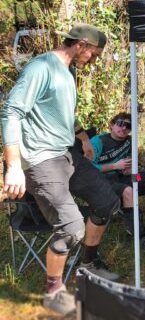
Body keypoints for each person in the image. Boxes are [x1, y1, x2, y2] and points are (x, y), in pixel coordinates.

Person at [1, 24, 121, 316]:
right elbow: (11, 112)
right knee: (70, 227)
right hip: (40, 160)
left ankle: (88, 264)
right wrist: (13, 166)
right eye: (94, 54)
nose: (94, 60)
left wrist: (82, 137)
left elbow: (63, 111)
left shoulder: (67, 70)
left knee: (107, 201)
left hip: (65, 154)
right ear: (81, 45)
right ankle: (53, 290)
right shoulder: (40, 68)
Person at [89, 112, 145, 253]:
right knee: (129, 191)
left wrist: (131, 168)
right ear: (112, 125)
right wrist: (114, 166)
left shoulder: (129, 141)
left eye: (128, 126)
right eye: (120, 123)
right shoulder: (98, 142)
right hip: (104, 182)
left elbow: (131, 161)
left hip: (124, 178)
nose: (124, 128)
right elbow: (87, 168)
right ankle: (142, 236)